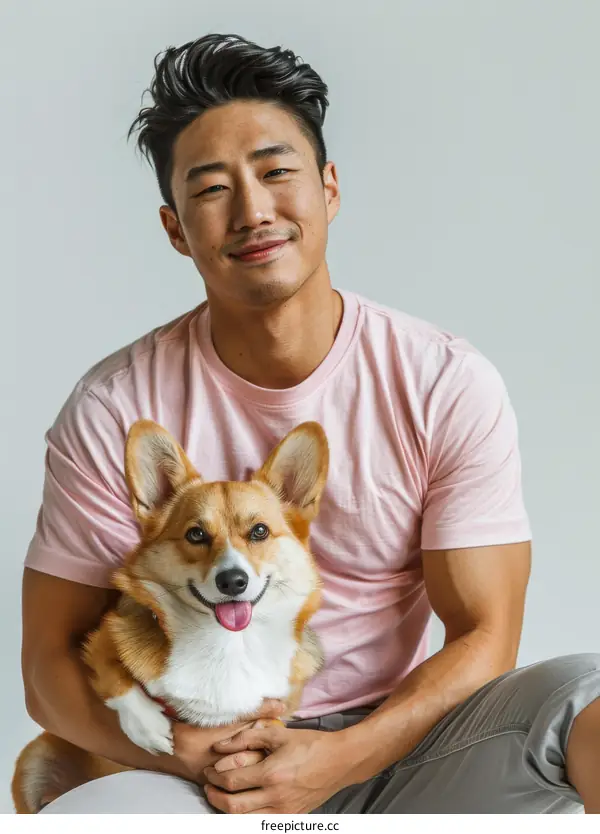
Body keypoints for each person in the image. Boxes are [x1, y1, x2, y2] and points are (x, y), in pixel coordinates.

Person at [22, 33, 600, 814]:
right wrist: (192, 754)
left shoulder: (441, 382)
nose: (253, 210)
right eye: (212, 188)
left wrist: (339, 759)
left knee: (589, 700)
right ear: (175, 228)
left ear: (329, 188)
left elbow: (486, 635)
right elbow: (48, 667)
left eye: (276, 171)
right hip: (195, 762)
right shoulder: (113, 407)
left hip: (402, 751)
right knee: (95, 815)